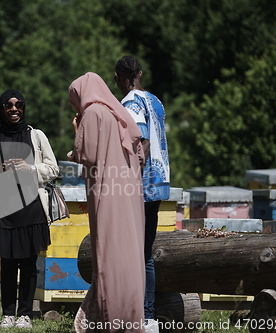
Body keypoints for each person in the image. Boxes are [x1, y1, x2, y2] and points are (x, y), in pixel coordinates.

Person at [68, 72, 146, 333]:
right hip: (128, 194)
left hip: (107, 192)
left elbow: (86, 154)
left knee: (108, 253)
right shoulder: (117, 113)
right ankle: (131, 317)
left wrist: (77, 130)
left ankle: (111, 319)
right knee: (128, 253)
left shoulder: (93, 113)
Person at [0, 89, 59, 329]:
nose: (14, 109)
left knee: (28, 264)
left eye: (19, 105)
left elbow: (53, 169)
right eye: (9, 105)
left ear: (24, 108)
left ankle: (24, 314)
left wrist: (31, 169)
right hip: (5, 211)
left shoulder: (36, 136)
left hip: (32, 208)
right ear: (2, 109)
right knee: (7, 265)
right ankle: (7, 314)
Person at [114, 55, 170, 332]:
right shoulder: (155, 100)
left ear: (120, 77)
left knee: (138, 255)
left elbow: (143, 142)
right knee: (144, 253)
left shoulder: (131, 103)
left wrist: (130, 181)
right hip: (158, 182)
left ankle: (144, 317)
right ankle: (146, 317)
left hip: (141, 186)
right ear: (140, 73)